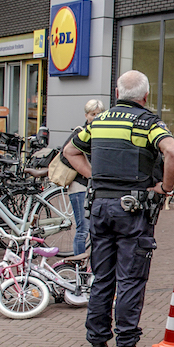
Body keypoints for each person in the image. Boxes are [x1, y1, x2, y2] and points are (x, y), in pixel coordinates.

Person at [63, 71, 174, 347]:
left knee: (102, 279)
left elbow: (70, 151)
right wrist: (165, 190)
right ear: (145, 96)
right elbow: (173, 152)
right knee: (130, 280)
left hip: (100, 207)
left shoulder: (98, 122)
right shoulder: (147, 123)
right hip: (132, 210)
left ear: (117, 92)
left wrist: (94, 177)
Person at [64, 99, 104, 256]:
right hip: (80, 186)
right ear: (86, 115)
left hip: (94, 187)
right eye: (93, 114)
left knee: (95, 229)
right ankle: (79, 267)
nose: (96, 117)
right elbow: (66, 155)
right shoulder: (80, 132)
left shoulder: (101, 134)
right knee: (83, 229)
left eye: (99, 114)